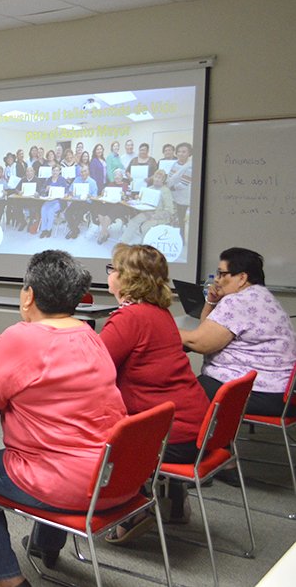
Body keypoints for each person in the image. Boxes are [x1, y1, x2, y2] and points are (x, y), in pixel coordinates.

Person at [0, 251, 127, 587]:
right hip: (117, 475)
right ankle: (46, 546)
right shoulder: (88, 334)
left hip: (70, 483)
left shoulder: (23, 337)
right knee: (62, 447)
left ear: (30, 294)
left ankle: (7, 579)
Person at [101, 244, 209, 538]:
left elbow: (94, 368)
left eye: (113, 269)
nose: (110, 275)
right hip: (197, 427)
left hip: (171, 435)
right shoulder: (160, 314)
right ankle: (173, 503)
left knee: (92, 436)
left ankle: (133, 512)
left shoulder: (129, 318)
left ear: (127, 278)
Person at [180, 248, 296, 418]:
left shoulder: (238, 301)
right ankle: (217, 441)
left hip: (261, 391)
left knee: (184, 394)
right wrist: (211, 301)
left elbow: (202, 343)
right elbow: (207, 329)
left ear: (242, 278)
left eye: (222, 274)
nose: (217, 280)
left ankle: (200, 443)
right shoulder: (260, 296)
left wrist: (163, 330)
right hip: (280, 391)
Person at [120, 169, 175, 244]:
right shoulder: (149, 189)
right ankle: (123, 242)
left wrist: (155, 216)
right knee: (133, 221)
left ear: (163, 180)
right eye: (156, 177)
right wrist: (138, 199)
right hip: (148, 213)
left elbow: (170, 210)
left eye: (159, 178)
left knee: (145, 227)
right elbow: (143, 203)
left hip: (160, 217)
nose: (157, 179)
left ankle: (144, 246)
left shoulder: (166, 191)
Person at [63, 161, 97, 239]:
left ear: (88, 171)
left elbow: (94, 197)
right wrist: (71, 192)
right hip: (76, 201)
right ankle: (75, 230)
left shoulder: (92, 182)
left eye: (85, 171)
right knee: (67, 213)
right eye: (81, 172)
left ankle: (73, 231)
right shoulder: (77, 180)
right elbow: (70, 190)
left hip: (87, 203)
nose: (83, 173)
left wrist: (90, 196)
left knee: (79, 213)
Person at [166, 142, 193, 228]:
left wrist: (171, 187)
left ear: (189, 153)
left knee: (181, 221)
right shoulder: (175, 163)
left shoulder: (190, 165)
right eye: (179, 151)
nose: (181, 154)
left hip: (182, 198)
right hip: (173, 196)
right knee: (173, 219)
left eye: (184, 151)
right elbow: (170, 176)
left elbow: (183, 183)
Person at [37, 164, 69, 239]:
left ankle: (49, 229)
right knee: (43, 209)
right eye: (54, 170)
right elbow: (41, 190)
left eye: (57, 170)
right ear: (52, 171)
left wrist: (66, 194)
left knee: (50, 210)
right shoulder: (48, 179)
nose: (55, 172)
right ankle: (43, 229)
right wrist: (45, 189)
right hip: (49, 200)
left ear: (59, 171)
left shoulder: (62, 179)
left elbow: (67, 190)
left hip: (59, 201)